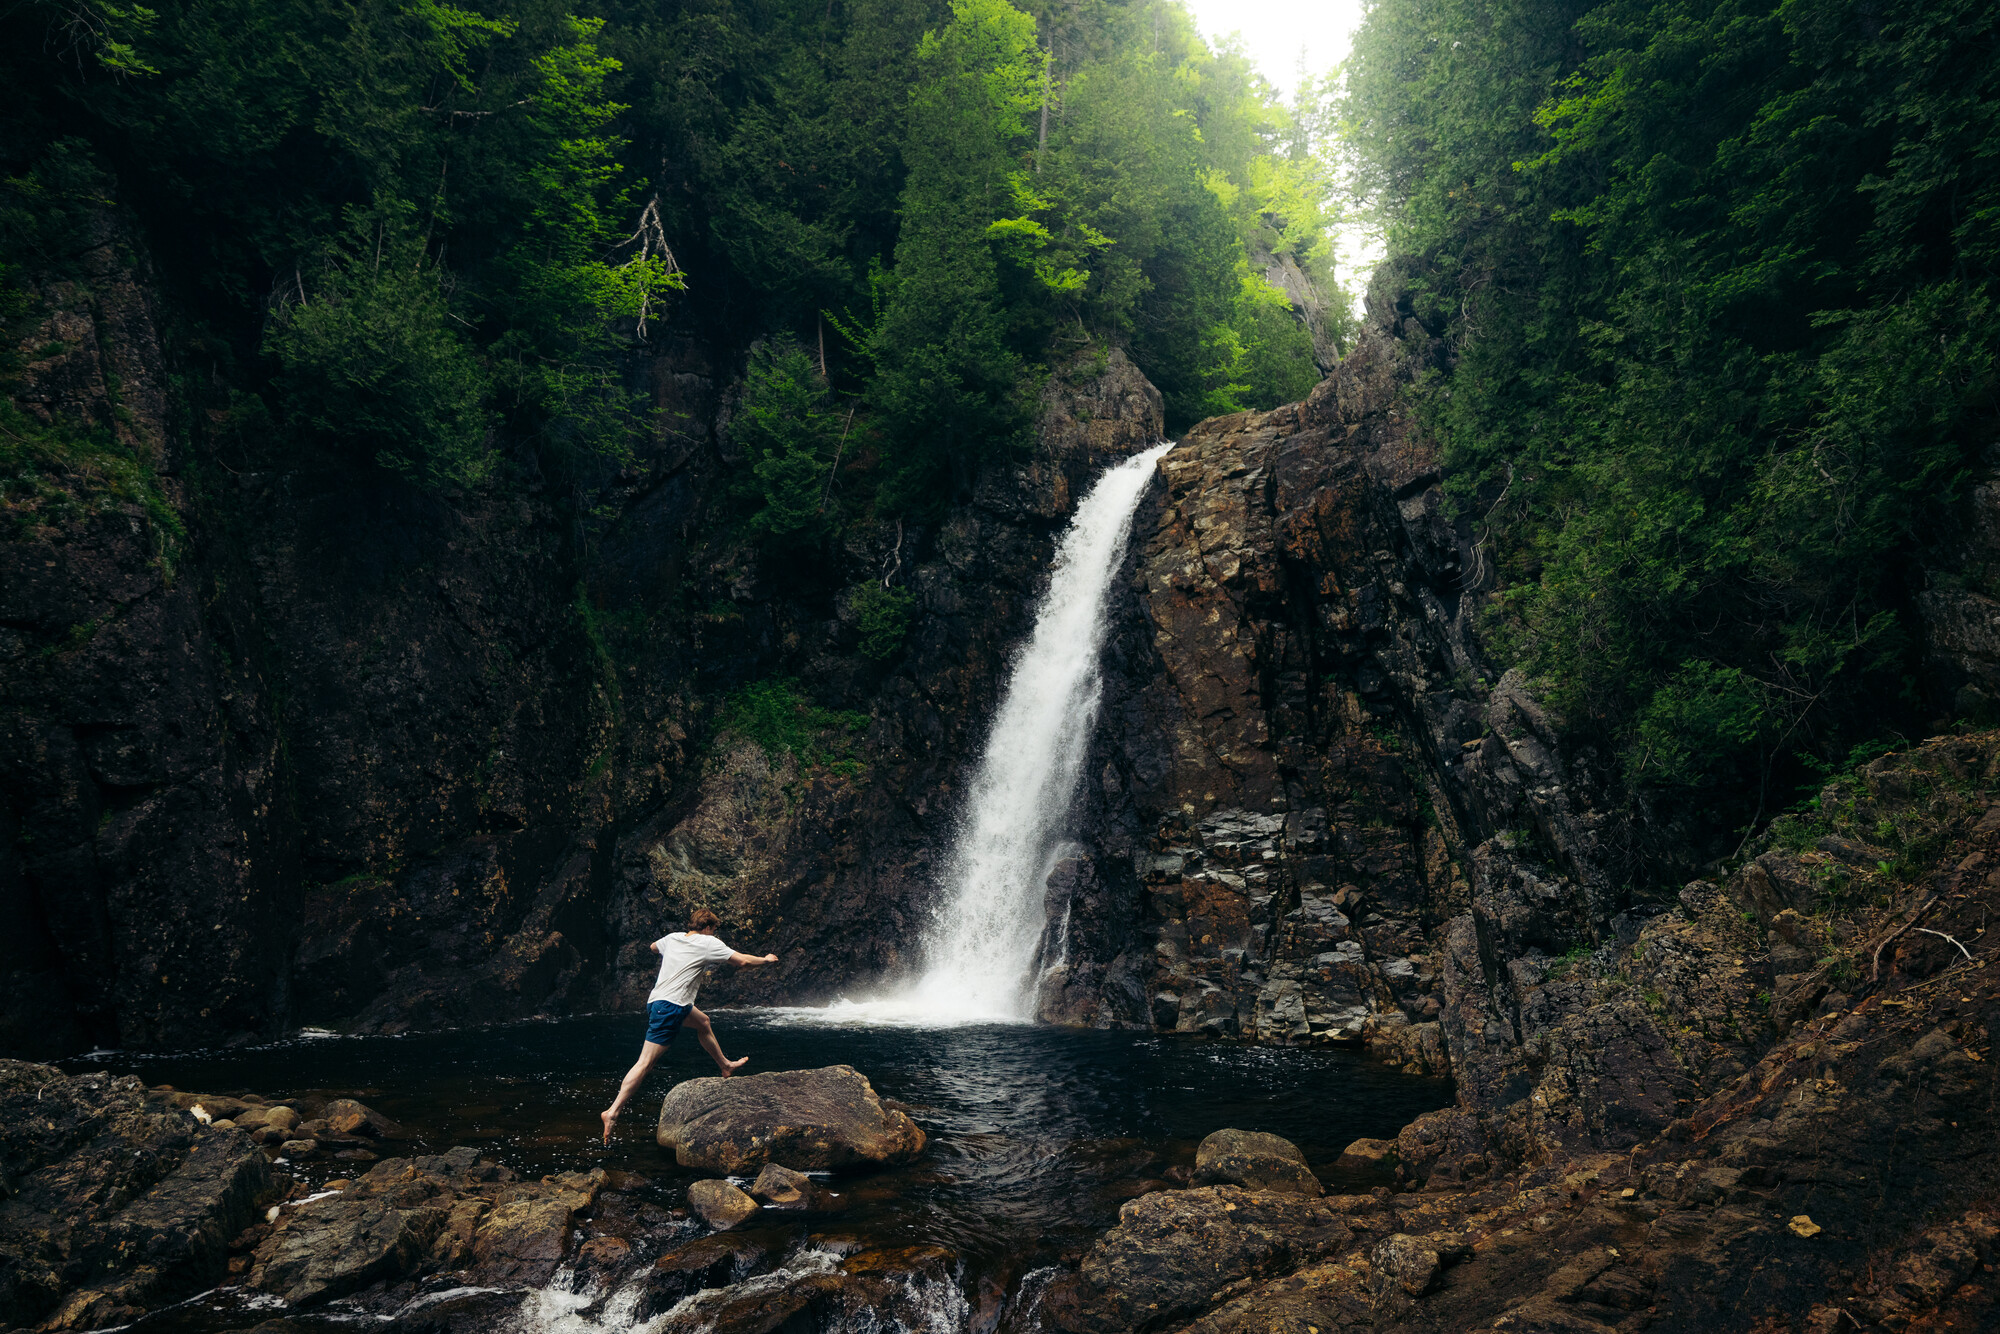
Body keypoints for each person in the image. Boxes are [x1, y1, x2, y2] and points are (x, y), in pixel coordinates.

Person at [600, 907, 779, 1144]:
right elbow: (743, 961)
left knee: (703, 1022)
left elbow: (653, 947)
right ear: (707, 928)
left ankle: (725, 1066)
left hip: (659, 1002)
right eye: (713, 930)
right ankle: (612, 1111)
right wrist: (766, 960)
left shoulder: (673, 938)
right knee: (645, 1063)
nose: (714, 934)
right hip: (671, 1007)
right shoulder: (708, 942)